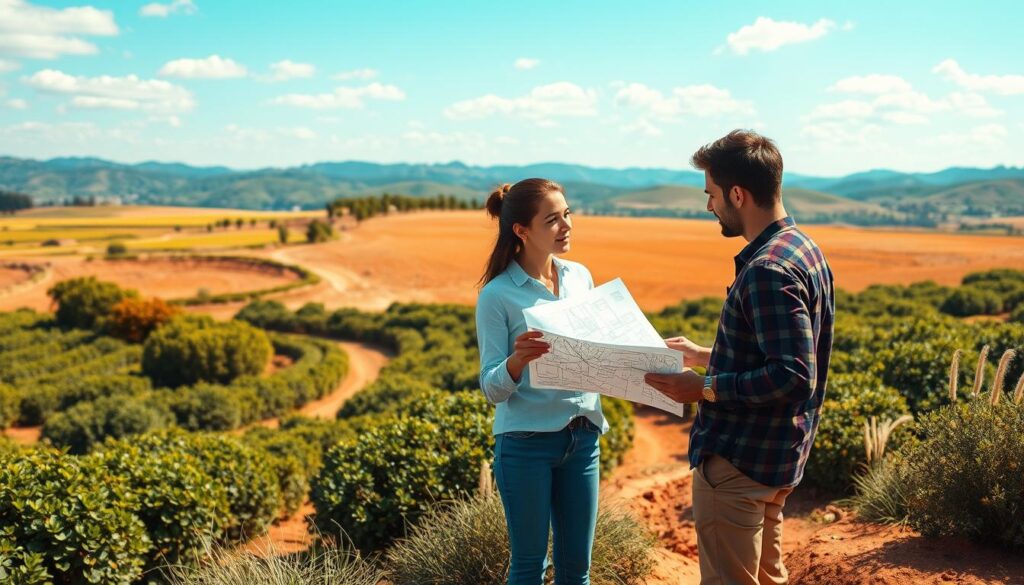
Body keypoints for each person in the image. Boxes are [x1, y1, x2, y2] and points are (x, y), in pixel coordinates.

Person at [645, 130, 835, 585]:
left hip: (739, 465)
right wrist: (706, 355)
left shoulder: (767, 268)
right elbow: (783, 351)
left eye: (711, 194)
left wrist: (704, 387)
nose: (709, 206)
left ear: (737, 193)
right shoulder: (803, 250)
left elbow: (792, 375)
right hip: (776, 461)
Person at [475, 178, 609, 585]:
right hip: (525, 446)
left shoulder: (580, 277)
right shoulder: (496, 296)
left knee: (577, 573)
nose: (566, 225)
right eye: (552, 219)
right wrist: (517, 361)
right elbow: (491, 387)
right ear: (521, 230)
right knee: (530, 568)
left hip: (584, 438)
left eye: (567, 214)